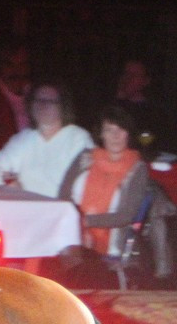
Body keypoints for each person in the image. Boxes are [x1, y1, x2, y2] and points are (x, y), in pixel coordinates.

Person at [58, 104, 174, 281]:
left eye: (121, 130)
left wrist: (86, 222)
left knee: (83, 270)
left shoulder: (137, 168)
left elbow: (125, 215)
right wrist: (76, 226)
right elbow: (63, 196)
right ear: (101, 134)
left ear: (128, 133)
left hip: (113, 245)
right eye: (109, 130)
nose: (115, 136)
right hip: (74, 237)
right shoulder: (84, 158)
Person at [0, 82, 94, 198]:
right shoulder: (24, 138)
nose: (43, 105)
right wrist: (6, 183)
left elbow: (85, 186)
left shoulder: (78, 138)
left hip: (63, 210)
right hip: (27, 208)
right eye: (38, 100)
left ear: (63, 107)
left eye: (50, 101)